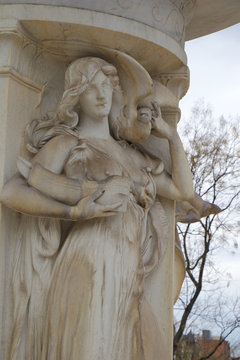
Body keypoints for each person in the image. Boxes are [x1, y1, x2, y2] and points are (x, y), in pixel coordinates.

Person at [0, 57, 194, 360]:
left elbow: (184, 190)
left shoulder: (133, 155)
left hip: (128, 274)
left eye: (106, 86)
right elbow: (12, 192)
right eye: (91, 89)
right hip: (86, 264)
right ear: (76, 97)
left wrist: (171, 136)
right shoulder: (68, 144)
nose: (102, 95)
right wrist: (73, 212)